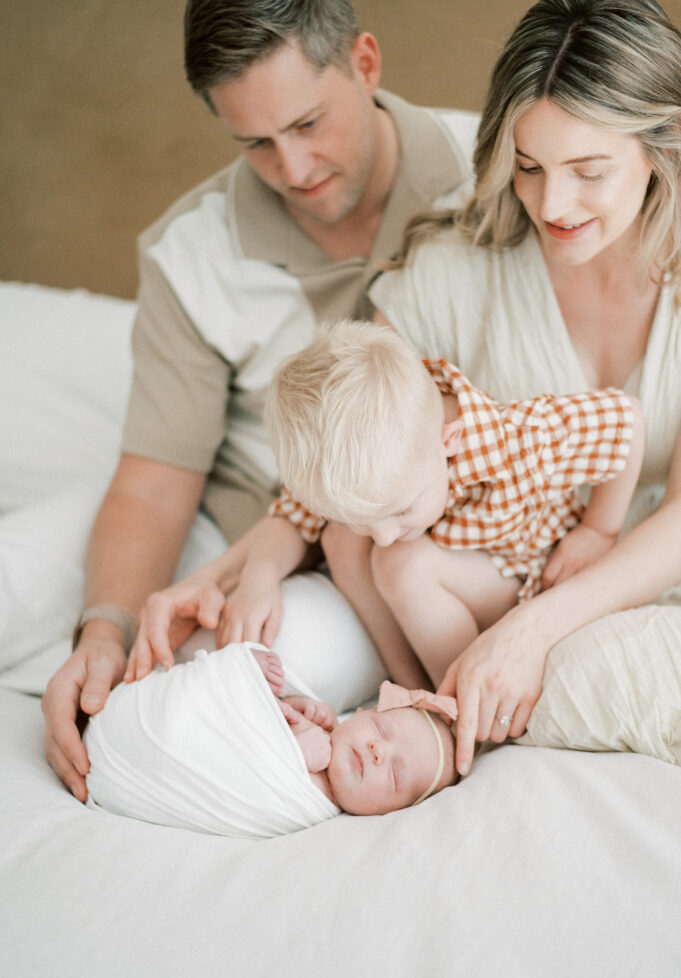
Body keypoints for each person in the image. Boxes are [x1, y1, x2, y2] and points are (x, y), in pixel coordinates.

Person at [42, 0, 475, 801]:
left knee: (218, 696)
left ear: (366, 64)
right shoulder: (189, 253)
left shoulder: (490, 179)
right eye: (255, 144)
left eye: (309, 123)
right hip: (242, 520)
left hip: (381, 559)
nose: (294, 168)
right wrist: (106, 627)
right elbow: (151, 479)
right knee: (26, 584)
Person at [366, 0, 681, 777]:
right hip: (491, 601)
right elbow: (350, 464)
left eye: (588, 172)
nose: (551, 206)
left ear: (661, 150)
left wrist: (533, 631)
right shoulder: (451, 272)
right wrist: (258, 561)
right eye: (529, 167)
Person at [126, 318, 642, 694]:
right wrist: (258, 578)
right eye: (368, 519)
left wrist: (600, 530)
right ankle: (411, 689)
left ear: (451, 439)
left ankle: (461, 701)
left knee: (402, 560)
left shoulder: (516, 438)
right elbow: (296, 515)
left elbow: (628, 420)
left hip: (521, 571)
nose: (385, 532)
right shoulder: (364, 459)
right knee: (339, 539)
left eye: (400, 510)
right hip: (446, 579)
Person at [84, 643, 458, 836]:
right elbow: (240, 723)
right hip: (157, 722)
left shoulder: (314, 806)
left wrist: (293, 755)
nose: (379, 752)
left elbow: (245, 777)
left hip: (138, 772)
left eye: (394, 775)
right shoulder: (324, 725)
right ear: (360, 714)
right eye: (380, 730)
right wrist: (277, 700)